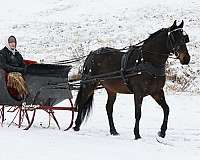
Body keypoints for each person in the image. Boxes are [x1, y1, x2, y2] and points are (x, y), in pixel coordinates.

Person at [0, 36, 28, 100]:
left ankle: (30, 92)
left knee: (28, 75)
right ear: (7, 43)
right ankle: (22, 94)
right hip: (8, 74)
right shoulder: (2, 53)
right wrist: (19, 70)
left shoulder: (17, 53)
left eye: (14, 42)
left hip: (19, 71)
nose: (13, 44)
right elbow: (5, 66)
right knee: (16, 77)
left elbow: (22, 63)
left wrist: (26, 68)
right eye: (10, 42)